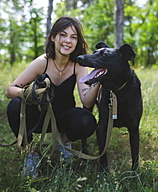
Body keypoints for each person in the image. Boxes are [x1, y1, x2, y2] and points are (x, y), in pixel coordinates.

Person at [6, 16, 100, 179]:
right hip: (39, 119)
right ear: (53, 37)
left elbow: (86, 101)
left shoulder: (78, 65)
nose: (67, 41)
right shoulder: (43, 62)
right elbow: (9, 90)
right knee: (14, 105)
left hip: (62, 120)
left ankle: (62, 142)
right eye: (63, 35)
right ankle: (31, 155)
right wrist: (27, 93)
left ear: (77, 42)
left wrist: (98, 79)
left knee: (87, 120)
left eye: (73, 37)